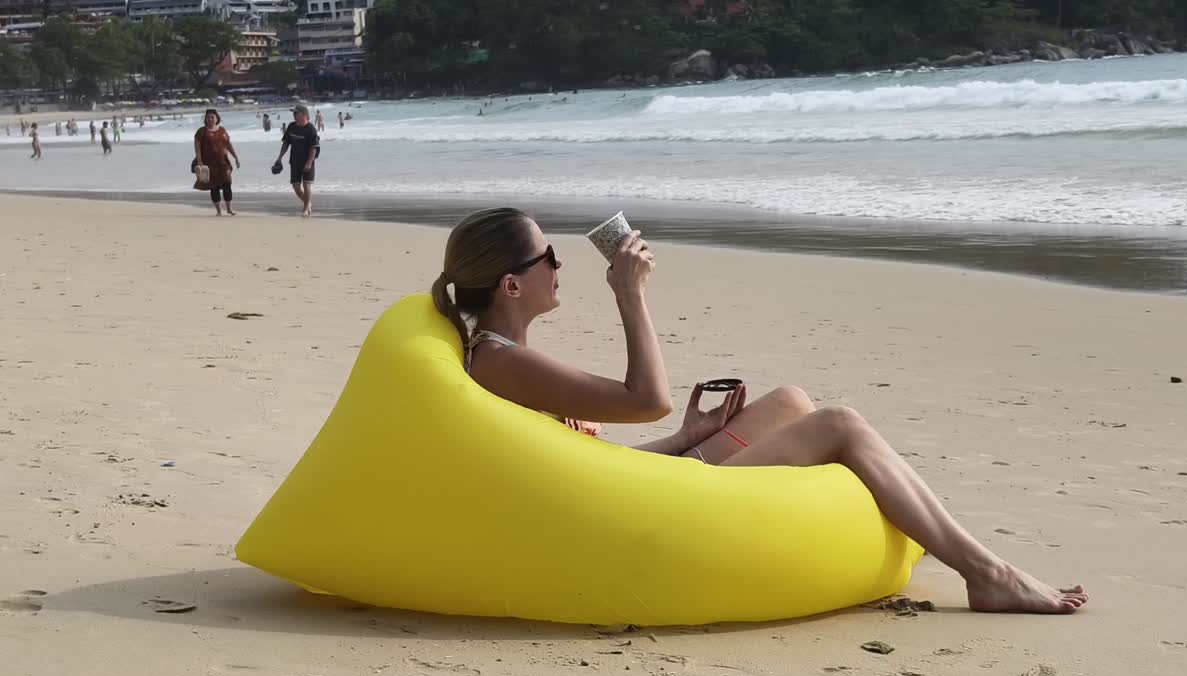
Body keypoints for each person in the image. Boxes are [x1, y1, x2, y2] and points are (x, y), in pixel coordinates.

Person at [430, 209, 1091, 615]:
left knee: (792, 403)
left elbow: (584, 461)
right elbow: (645, 399)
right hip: (641, 515)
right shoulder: (502, 362)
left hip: (633, 487)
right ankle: (987, 574)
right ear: (511, 284)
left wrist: (687, 437)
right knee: (839, 424)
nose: (559, 264)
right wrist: (630, 295)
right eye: (548, 256)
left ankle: (904, 537)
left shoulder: (503, 355)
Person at [194, 108, 241, 217]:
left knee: (227, 184)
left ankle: (229, 208)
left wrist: (236, 157)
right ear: (205, 119)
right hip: (209, 164)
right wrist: (200, 162)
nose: (210, 119)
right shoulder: (201, 132)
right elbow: (197, 148)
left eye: (212, 117)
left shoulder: (222, 130)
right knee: (214, 187)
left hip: (224, 163)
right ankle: (219, 210)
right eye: (208, 117)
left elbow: (229, 145)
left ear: (217, 118)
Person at [274, 105, 319, 217]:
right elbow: (286, 143)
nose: (294, 115)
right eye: (294, 113)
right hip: (294, 161)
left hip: (307, 161)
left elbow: (314, 148)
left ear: (304, 115)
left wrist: (309, 163)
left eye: (296, 113)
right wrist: (279, 158)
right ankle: (308, 203)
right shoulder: (291, 126)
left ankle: (306, 208)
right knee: (296, 187)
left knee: (307, 185)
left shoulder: (311, 129)